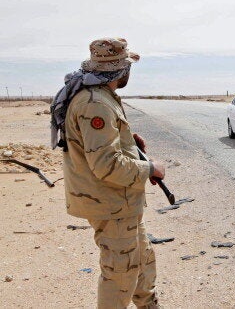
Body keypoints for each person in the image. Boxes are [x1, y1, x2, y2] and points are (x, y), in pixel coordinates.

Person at [51, 38, 164, 308]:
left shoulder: (99, 95)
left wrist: (128, 143)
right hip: (111, 204)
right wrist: (150, 167)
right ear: (121, 70)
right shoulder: (95, 103)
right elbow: (106, 165)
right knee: (120, 274)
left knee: (142, 261)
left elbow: (97, 145)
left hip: (121, 203)